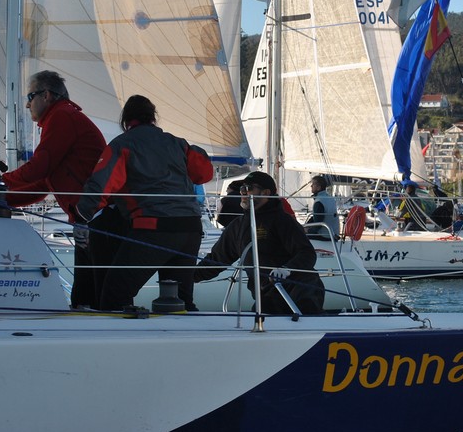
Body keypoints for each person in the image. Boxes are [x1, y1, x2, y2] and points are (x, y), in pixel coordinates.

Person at [75, 95, 212, 311]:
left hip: (154, 228)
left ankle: (122, 334)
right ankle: (190, 332)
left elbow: (101, 185)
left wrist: (81, 217)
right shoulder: (178, 143)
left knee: (114, 294)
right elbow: (204, 174)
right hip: (190, 227)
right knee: (179, 300)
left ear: (125, 120)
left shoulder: (122, 145)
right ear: (153, 118)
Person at [1, 70, 106, 308]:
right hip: (90, 219)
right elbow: (44, 183)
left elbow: (40, 168)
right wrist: (2, 198)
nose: (27, 105)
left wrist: (0, 181)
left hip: (97, 218)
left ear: (46, 95)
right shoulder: (63, 116)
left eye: (30, 97)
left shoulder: (62, 117)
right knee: (86, 296)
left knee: (95, 296)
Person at [194, 171, 324, 314]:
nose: (243, 192)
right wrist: (187, 276)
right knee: (261, 313)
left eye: (248, 188)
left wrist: (287, 269)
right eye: (242, 188)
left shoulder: (283, 221)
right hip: (267, 295)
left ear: (265, 193)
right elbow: (216, 260)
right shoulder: (238, 226)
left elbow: (307, 253)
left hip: (300, 291)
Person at [304, 175, 339, 240]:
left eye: (313, 184)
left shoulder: (319, 201)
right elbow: (317, 217)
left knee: (298, 235)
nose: (311, 186)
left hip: (325, 235)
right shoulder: (330, 198)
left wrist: (308, 231)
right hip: (334, 234)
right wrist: (306, 225)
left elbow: (318, 224)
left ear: (318, 187)